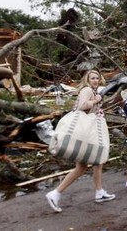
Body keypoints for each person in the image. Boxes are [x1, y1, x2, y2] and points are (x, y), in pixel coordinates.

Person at [45, 69, 115, 213]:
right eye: (92, 78)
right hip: (84, 132)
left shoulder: (95, 92)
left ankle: (99, 191)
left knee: (95, 162)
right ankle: (55, 193)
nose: (95, 80)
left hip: (87, 131)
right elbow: (82, 106)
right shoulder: (87, 90)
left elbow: (94, 107)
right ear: (87, 80)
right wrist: (95, 101)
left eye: (97, 78)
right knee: (85, 165)